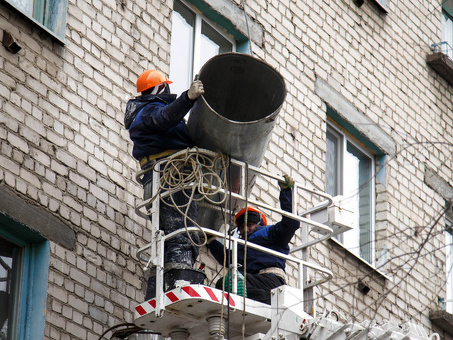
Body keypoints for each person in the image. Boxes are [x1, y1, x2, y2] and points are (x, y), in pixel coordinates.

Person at [124, 69, 204, 280]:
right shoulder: (148, 110)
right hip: (169, 177)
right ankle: (180, 278)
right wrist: (187, 98)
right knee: (181, 233)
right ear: (161, 87)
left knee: (170, 237)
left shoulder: (145, 111)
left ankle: (160, 282)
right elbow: (164, 118)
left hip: (166, 177)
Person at [207, 175, 300, 304]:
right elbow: (227, 257)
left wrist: (286, 192)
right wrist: (210, 240)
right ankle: (270, 301)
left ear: (260, 223)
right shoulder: (240, 247)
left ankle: (272, 301)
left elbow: (291, 223)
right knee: (224, 284)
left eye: (250, 224)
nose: (246, 229)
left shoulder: (270, 233)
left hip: (271, 280)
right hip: (252, 282)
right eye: (242, 227)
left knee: (231, 284)